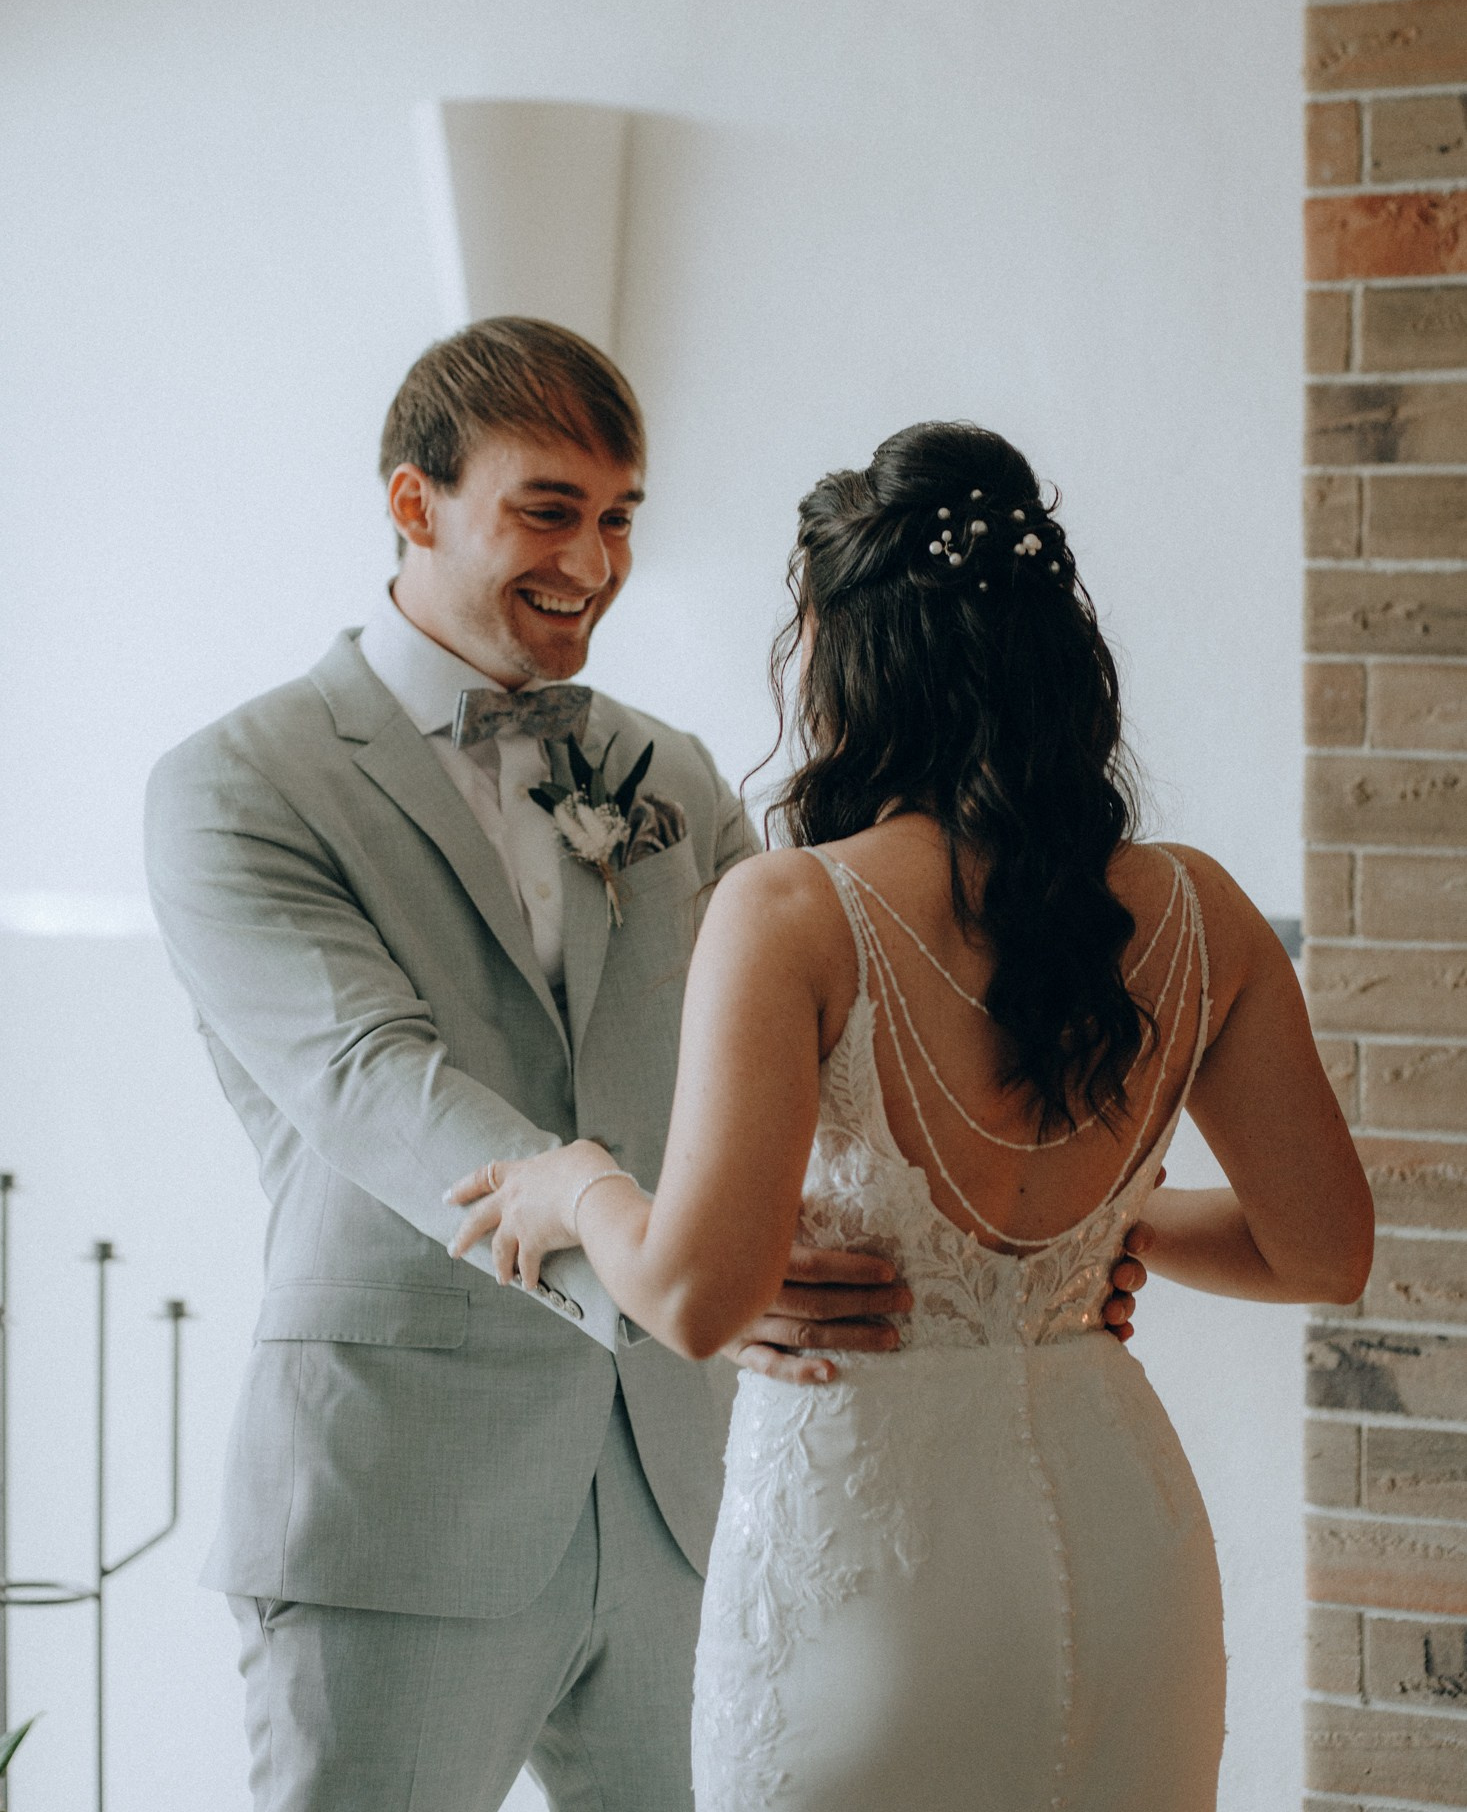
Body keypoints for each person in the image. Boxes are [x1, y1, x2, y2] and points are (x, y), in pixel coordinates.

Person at [147, 326, 1147, 1812]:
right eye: (548, 509)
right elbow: (372, 1080)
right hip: (404, 1506)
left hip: (696, 1495)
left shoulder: (670, 777)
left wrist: (1035, 1239)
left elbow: (847, 1043)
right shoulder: (239, 783)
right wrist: (682, 1276)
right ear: (413, 503)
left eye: (621, 516)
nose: (595, 559)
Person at [448, 418, 1375, 1812]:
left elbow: (698, 1299)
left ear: (839, 654)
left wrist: (573, 1185)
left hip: (871, 1560)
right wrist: (1126, 1224)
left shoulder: (795, 906)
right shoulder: (1199, 907)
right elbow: (1323, 1252)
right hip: (1128, 1548)